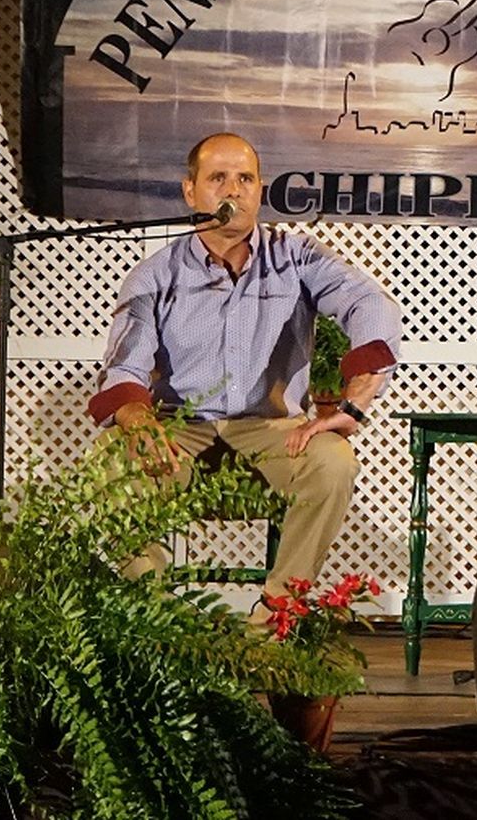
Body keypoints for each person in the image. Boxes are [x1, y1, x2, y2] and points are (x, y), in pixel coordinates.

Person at [88, 132, 401, 608]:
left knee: (333, 461)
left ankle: (276, 619)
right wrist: (138, 421)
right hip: (181, 437)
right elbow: (123, 368)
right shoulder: (155, 275)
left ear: (260, 189)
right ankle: (161, 627)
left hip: (274, 435)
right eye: (218, 178)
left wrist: (356, 400)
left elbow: (368, 303)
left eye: (245, 179)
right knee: (111, 461)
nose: (233, 191)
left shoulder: (298, 257)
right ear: (190, 191)